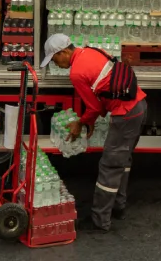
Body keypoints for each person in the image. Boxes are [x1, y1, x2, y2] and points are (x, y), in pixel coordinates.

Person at [42, 33, 147, 233]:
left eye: (54, 59)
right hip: (140, 106)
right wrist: (89, 120)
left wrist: (80, 123)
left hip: (125, 114)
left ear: (63, 52)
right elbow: (105, 87)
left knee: (109, 166)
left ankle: (100, 221)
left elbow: (94, 107)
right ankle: (118, 207)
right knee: (122, 160)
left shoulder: (76, 73)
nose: (55, 64)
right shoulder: (92, 50)